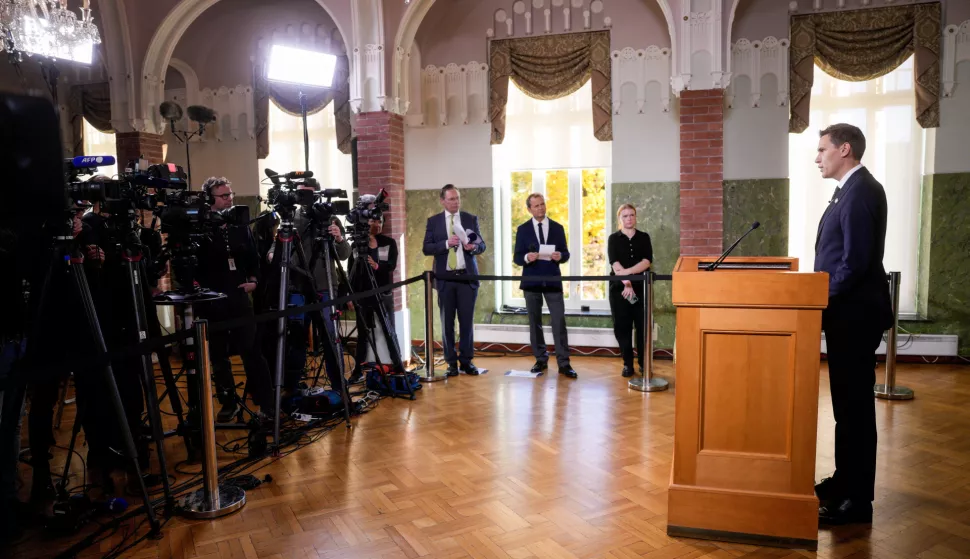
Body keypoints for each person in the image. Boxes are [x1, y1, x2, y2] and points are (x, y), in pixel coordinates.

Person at [812, 123, 893, 525]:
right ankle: (845, 480)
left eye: (822, 149)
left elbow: (856, 262)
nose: (817, 157)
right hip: (846, 313)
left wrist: (820, 295)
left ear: (845, 149)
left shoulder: (862, 190)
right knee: (846, 408)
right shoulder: (851, 189)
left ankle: (857, 501)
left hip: (855, 315)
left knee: (856, 409)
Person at [196, 177, 275, 422]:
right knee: (218, 356)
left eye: (231, 194)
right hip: (210, 299)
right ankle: (228, 402)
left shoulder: (239, 224)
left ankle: (267, 404)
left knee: (252, 352)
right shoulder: (199, 225)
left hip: (239, 296)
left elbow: (253, 257)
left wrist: (253, 280)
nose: (230, 199)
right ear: (210, 199)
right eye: (224, 196)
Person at [422, 185, 486, 376]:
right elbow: (426, 247)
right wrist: (445, 244)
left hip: (467, 278)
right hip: (445, 279)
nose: (455, 202)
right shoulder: (433, 222)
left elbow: (481, 245)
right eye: (451, 199)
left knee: (466, 322)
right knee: (446, 323)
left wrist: (473, 247)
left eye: (457, 198)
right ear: (442, 201)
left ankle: (466, 362)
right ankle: (451, 363)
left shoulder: (470, 219)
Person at [513, 193, 577, 379]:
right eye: (536, 206)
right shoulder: (523, 229)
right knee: (535, 323)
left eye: (542, 204)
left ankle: (564, 364)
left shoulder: (557, 227)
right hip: (531, 281)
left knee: (558, 321)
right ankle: (540, 359)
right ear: (529, 209)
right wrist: (527, 257)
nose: (540, 208)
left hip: (552, 281)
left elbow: (566, 254)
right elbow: (517, 257)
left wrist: (560, 256)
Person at [348, 213, 398, 383]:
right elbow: (351, 272)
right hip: (362, 294)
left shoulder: (389, 242)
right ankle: (357, 370)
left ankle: (397, 366)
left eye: (380, 221)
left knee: (389, 330)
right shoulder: (356, 245)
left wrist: (377, 266)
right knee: (363, 334)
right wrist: (350, 295)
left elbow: (391, 265)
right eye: (373, 221)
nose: (377, 224)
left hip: (383, 294)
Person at [607, 204, 653, 378]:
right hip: (619, 289)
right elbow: (615, 263)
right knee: (622, 327)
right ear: (620, 219)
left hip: (641, 289)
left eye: (632, 215)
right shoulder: (613, 239)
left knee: (642, 327)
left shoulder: (644, 237)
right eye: (625, 216)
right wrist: (626, 282)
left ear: (636, 217)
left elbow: (646, 261)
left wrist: (629, 274)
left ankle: (643, 363)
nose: (629, 218)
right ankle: (627, 363)